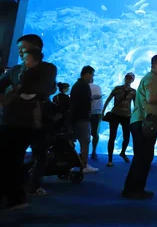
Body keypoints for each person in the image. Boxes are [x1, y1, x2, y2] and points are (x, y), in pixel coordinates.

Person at [0, 34, 57, 209]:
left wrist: (15, 89)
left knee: (32, 156)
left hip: (31, 122)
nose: (19, 51)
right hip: (9, 120)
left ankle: (23, 192)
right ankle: (13, 196)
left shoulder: (48, 68)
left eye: (22, 48)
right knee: (8, 159)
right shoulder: (15, 69)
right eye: (18, 48)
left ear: (36, 48)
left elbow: (43, 89)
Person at [122, 54, 157, 200]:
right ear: (153, 66)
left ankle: (130, 189)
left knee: (142, 157)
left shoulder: (154, 79)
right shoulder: (152, 79)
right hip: (144, 122)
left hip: (143, 122)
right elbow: (151, 98)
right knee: (143, 157)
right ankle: (135, 190)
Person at [70, 65, 99, 173]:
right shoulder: (84, 85)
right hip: (82, 117)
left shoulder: (77, 85)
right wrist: (93, 98)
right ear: (87, 74)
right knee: (85, 141)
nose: (92, 78)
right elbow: (85, 101)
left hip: (75, 117)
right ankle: (84, 165)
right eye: (92, 75)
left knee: (75, 141)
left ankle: (74, 163)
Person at [102, 73, 136, 166]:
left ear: (132, 80)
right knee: (112, 136)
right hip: (115, 114)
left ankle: (123, 152)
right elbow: (108, 99)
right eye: (127, 77)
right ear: (124, 78)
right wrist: (103, 111)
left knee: (127, 137)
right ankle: (110, 159)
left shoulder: (133, 91)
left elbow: (136, 105)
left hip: (127, 116)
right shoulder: (117, 88)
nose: (128, 79)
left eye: (130, 78)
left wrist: (136, 116)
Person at [89, 82, 103, 161]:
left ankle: (84, 151)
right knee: (95, 133)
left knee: (87, 133)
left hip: (87, 112)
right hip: (97, 112)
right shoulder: (98, 86)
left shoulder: (84, 87)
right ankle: (94, 151)